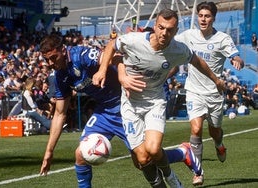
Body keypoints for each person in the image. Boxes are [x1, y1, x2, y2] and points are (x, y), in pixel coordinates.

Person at [39, 34, 203, 188]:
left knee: (143, 161)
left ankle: (183, 153)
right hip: (104, 111)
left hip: (127, 105)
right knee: (81, 153)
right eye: (47, 60)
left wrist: (115, 74)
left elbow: (116, 57)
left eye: (54, 58)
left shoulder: (80, 55)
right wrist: (49, 152)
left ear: (62, 50)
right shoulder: (59, 76)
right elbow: (60, 114)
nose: (51, 63)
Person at [92, 8, 225, 188]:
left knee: (153, 149)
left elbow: (197, 61)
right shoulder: (134, 40)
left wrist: (216, 80)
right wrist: (102, 70)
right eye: (161, 27)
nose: (164, 32)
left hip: (155, 102)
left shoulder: (178, 50)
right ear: (155, 26)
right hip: (130, 105)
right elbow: (112, 45)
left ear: (176, 31)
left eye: (170, 29)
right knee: (141, 159)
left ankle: (171, 178)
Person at [174, 1, 244, 185]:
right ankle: (198, 172)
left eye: (207, 16)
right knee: (196, 129)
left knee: (215, 131)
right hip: (194, 91)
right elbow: (170, 42)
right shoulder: (188, 35)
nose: (203, 19)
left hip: (214, 93)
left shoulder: (222, 38)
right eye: (201, 15)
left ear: (213, 18)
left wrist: (237, 60)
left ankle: (219, 145)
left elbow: (235, 56)